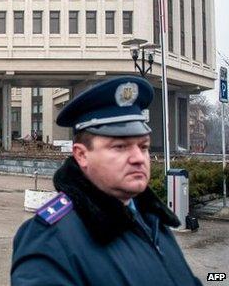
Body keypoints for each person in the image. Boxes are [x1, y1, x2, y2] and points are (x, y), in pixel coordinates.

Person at [11, 76, 201, 285]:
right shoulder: (49, 240)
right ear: (81, 155)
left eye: (143, 146)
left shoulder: (152, 219)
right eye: (119, 146)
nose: (138, 158)